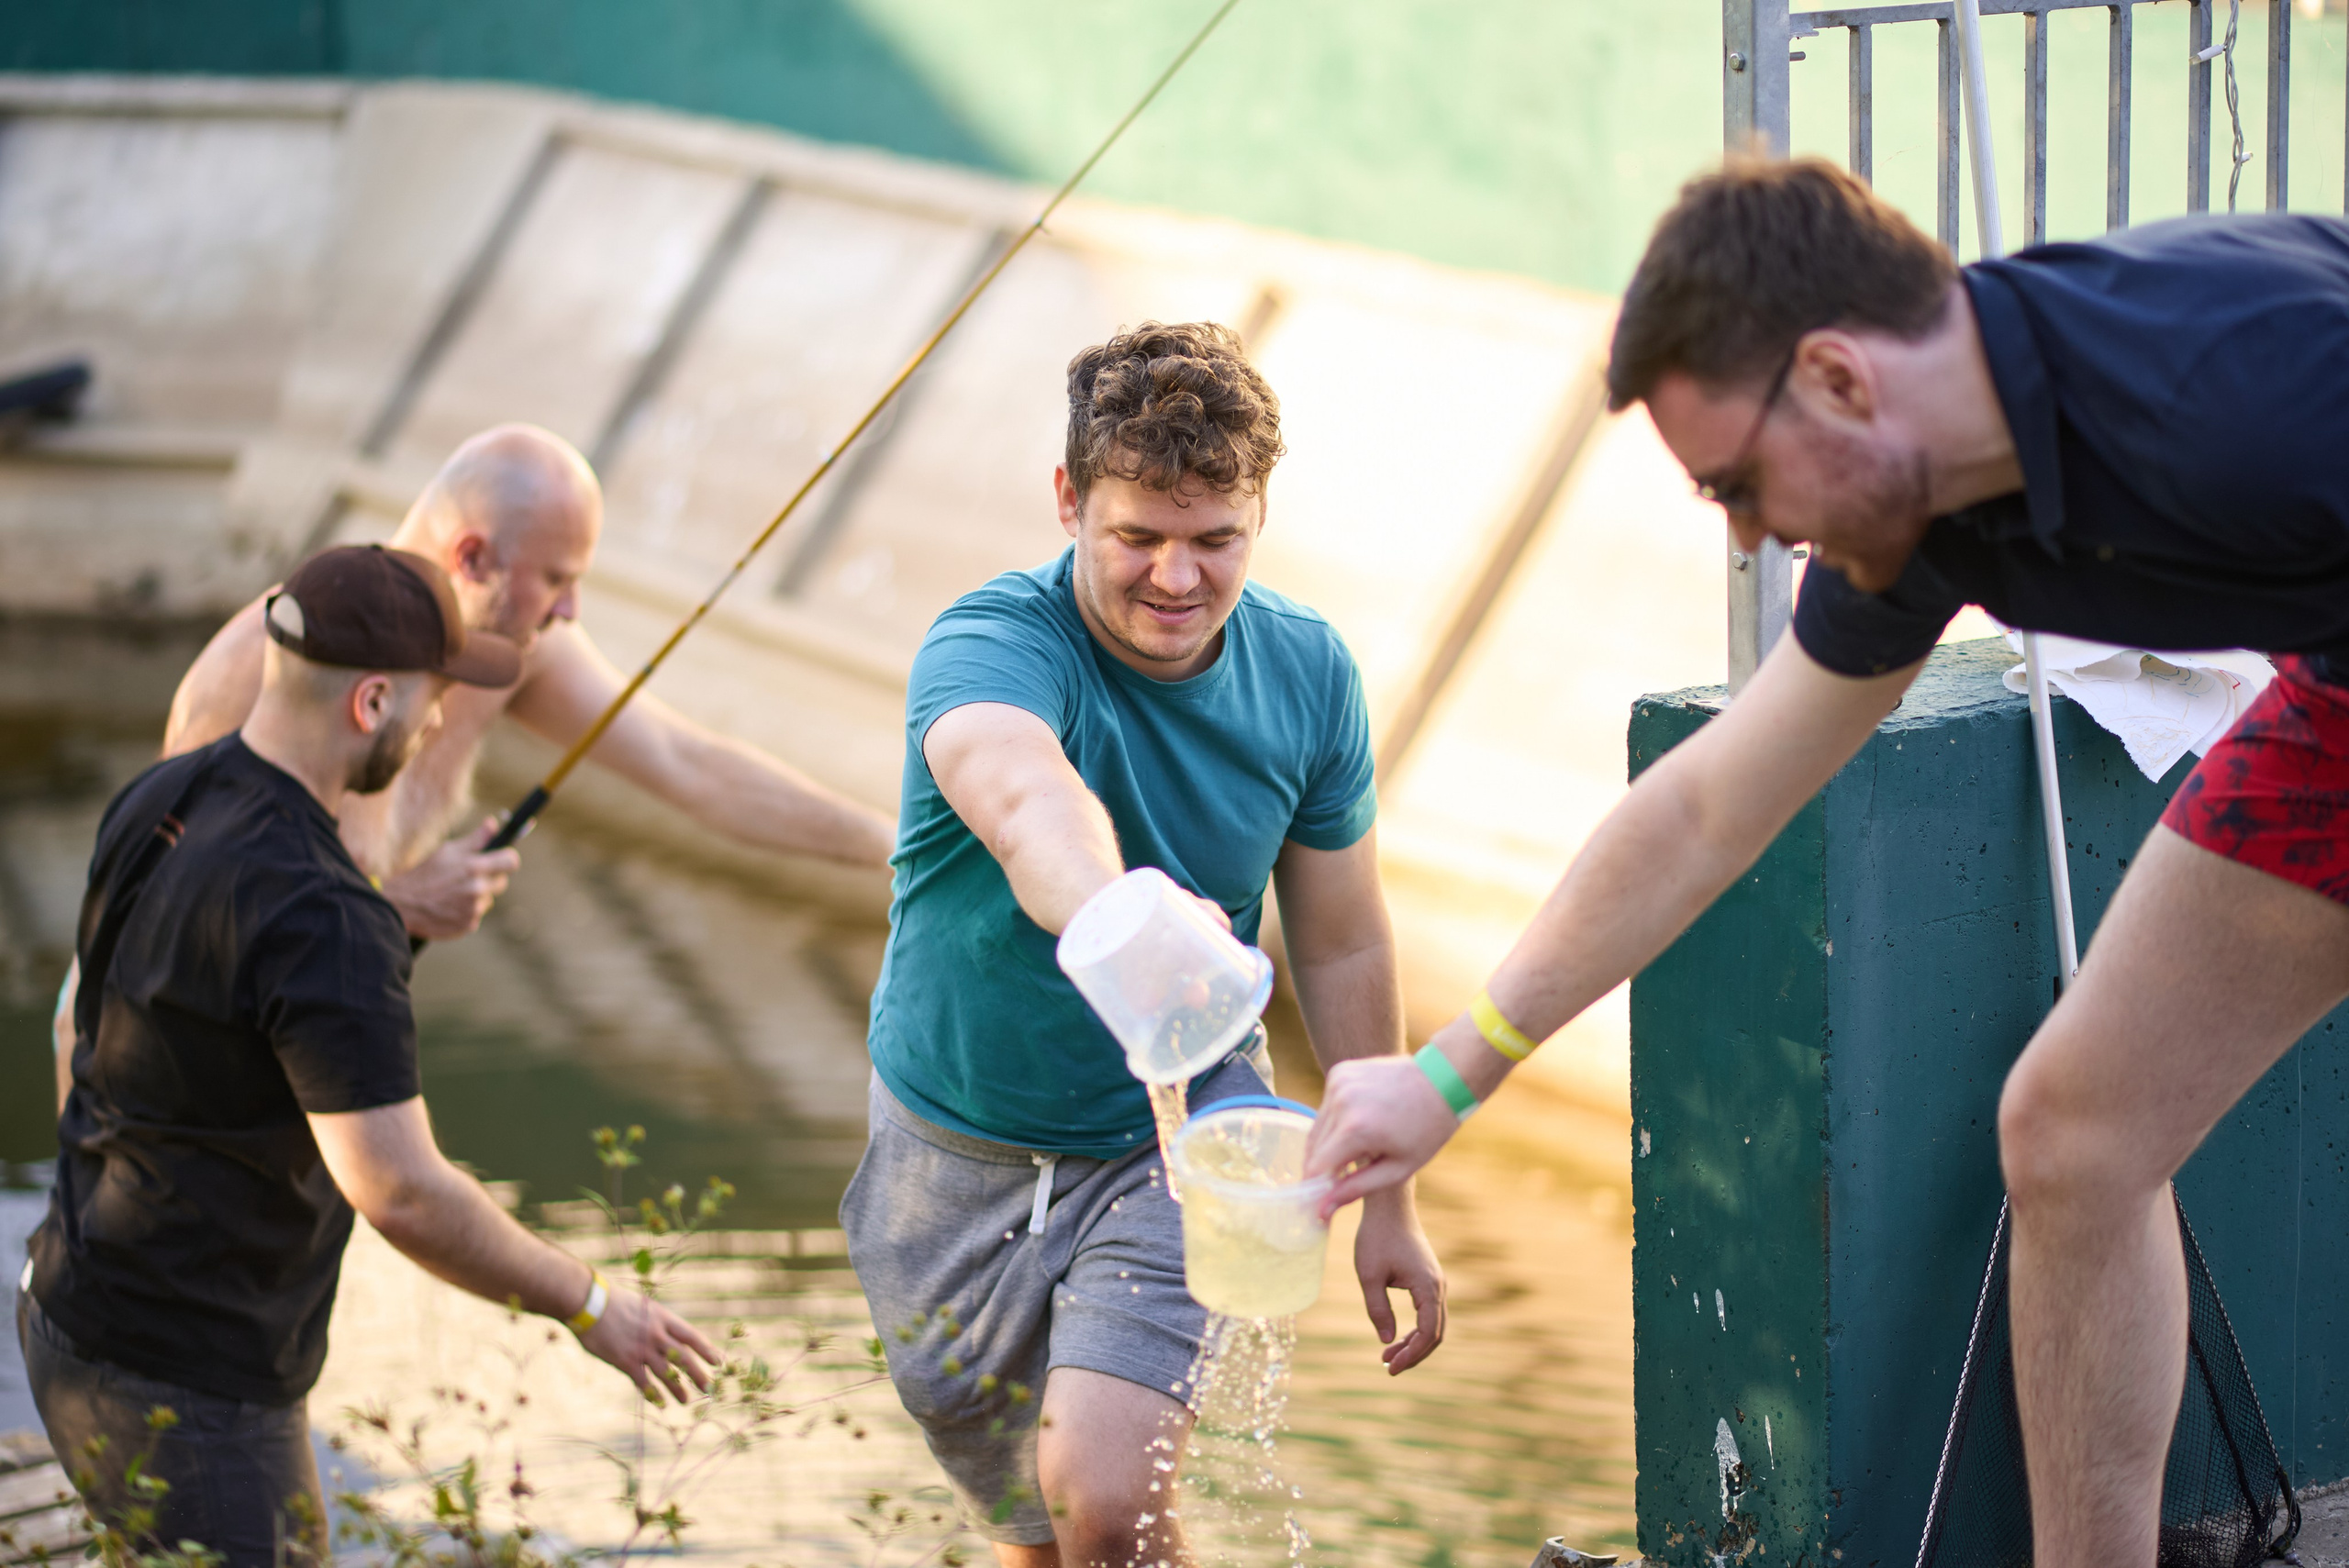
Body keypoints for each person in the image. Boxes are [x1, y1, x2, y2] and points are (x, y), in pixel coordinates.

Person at [1303, 160, 2349, 1568]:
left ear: (1842, 379)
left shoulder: (2239, 381)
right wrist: (1447, 1076)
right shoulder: (1917, 512)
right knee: (2076, 1131)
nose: (1746, 531)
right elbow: (1705, 810)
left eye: (1737, 482)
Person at [841, 322, 1445, 1566]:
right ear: (1069, 500)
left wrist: (1390, 1190)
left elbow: (1341, 944)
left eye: (1215, 539)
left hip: (1173, 1132)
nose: (1176, 577)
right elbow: (1025, 799)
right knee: (1034, 1534)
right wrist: (1126, 916)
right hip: (948, 1145)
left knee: (1103, 1497)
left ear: (1259, 515)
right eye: (1137, 537)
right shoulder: (989, 642)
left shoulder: (1308, 673)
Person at [18, 546, 718, 1564]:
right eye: (435, 696)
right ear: (373, 700)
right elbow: (401, 1191)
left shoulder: (161, 799)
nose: (439, 722)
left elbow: (93, 1027)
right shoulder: (325, 912)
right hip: (191, 1393)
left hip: (69, 1317)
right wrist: (592, 1303)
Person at [164, 422, 895, 941]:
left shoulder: (516, 648)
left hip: (331, 1035)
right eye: (555, 579)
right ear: (472, 558)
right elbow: (179, 915)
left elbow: (691, 765)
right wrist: (398, 903)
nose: (570, 610)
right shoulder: (263, 667)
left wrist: (901, 845)